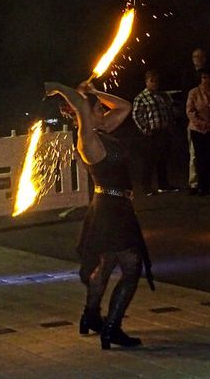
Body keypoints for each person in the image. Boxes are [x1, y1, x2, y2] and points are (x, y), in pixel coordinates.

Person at [44, 80, 151, 349]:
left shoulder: (103, 129)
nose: (103, 112)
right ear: (87, 114)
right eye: (98, 109)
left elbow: (124, 105)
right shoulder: (87, 137)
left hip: (112, 207)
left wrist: (95, 93)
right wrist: (57, 87)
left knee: (105, 265)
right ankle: (112, 328)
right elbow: (80, 105)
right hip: (111, 209)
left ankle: (91, 317)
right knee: (131, 266)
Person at [131, 70, 180, 195]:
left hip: (163, 131)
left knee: (163, 159)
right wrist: (145, 129)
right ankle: (146, 187)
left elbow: (168, 110)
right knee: (149, 160)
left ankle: (163, 184)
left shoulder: (162, 96)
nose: (154, 84)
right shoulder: (141, 98)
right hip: (151, 133)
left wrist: (170, 124)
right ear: (146, 81)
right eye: (151, 81)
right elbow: (137, 114)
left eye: (156, 81)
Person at [186, 70, 210, 195]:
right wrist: (201, 123)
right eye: (203, 77)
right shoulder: (194, 93)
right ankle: (201, 185)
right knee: (200, 158)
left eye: (208, 77)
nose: (205, 80)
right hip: (198, 129)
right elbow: (190, 111)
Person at [185, 48, 208, 193]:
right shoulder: (188, 77)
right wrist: (196, 119)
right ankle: (194, 182)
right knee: (194, 153)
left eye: (200, 56)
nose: (197, 59)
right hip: (195, 122)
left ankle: (207, 180)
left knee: (208, 153)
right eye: (195, 57)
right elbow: (188, 106)